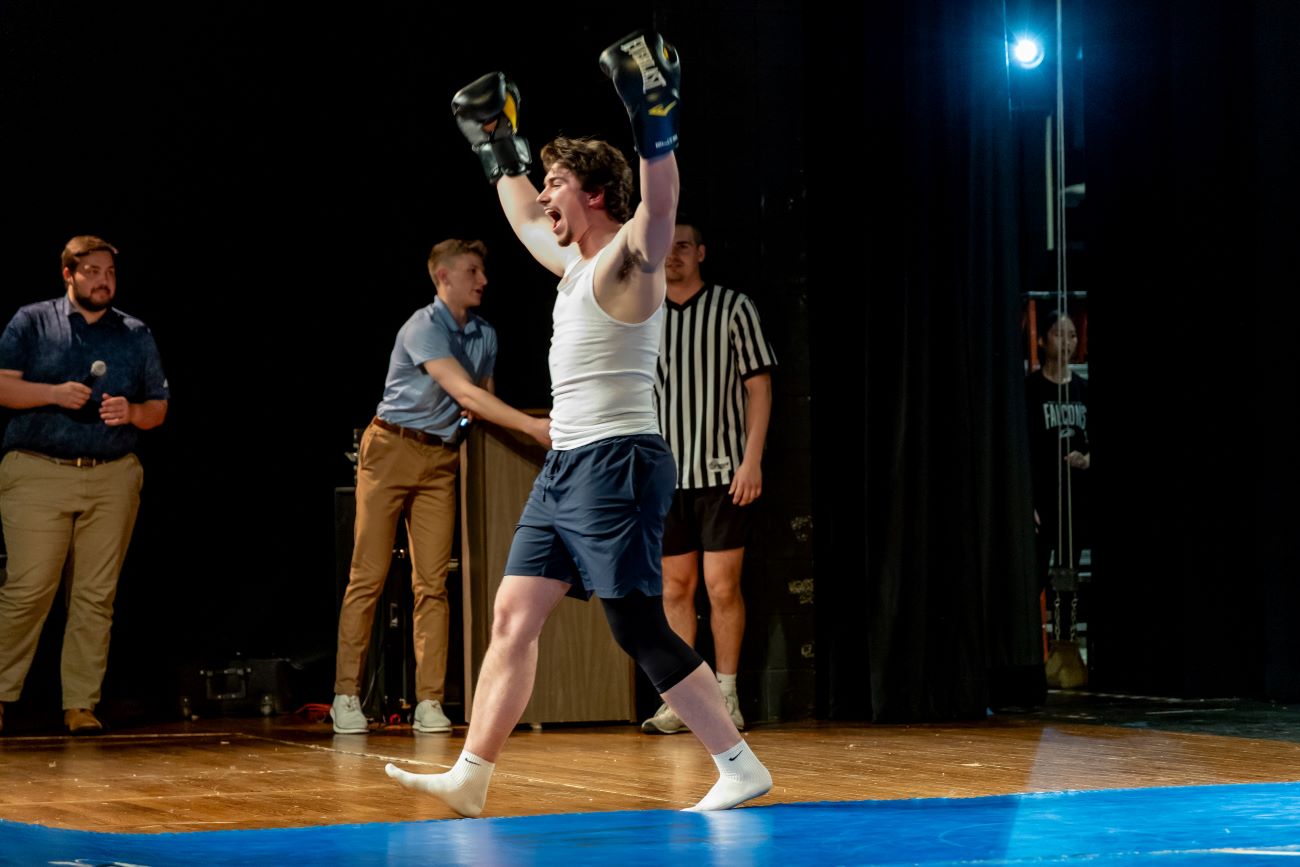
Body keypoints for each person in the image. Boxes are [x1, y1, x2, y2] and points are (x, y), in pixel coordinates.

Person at [384, 30, 772, 816]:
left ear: (593, 194)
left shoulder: (631, 262)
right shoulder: (572, 266)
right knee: (512, 611)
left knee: (633, 621)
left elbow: (660, 206)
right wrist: (500, 147)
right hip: (567, 466)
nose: (542, 197)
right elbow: (523, 210)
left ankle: (737, 763)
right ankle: (472, 774)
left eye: (555, 182)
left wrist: (653, 120)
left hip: (619, 461)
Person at [332, 239, 551, 735]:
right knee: (368, 575)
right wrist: (535, 428)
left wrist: (510, 426)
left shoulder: (485, 334)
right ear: (444, 278)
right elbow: (465, 391)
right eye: (473, 271)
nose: (483, 280)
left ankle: (429, 700)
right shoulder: (423, 327)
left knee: (432, 582)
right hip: (391, 447)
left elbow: (482, 404)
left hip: (442, 458)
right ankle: (346, 694)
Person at [0, 235, 169, 735]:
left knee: (95, 595)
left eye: (110, 273)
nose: (103, 280)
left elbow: (158, 407)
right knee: (29, 588)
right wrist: (51, 393)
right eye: (92, 271)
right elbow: (2, 385)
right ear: (68, 274)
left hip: (111, 475)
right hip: (38, 469)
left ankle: (80, 703)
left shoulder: (134, 332)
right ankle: (2, 692)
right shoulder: (32, 321)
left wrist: (132, 412)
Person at [642, 222, 776, 735]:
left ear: (700, 251)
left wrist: (752, 459)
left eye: (683, 245)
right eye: (666, 245)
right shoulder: (645, 311)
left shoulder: (733, 307)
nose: (673, 254)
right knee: (675, 588)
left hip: (722, 471)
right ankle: (682, 698)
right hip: (663, 474)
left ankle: (726, 693)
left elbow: (759, 388)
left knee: (722, 587)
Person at [1025, 308, 1091, 592]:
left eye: (1073, 335)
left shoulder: (1084, 389)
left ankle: (1065, 636)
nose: (1067, 342)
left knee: (1067, 583)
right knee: (1033, 580)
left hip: (1073, 509)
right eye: (1059, 335)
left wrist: (1086, 460)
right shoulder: (1028, 391)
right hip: (1040, 507)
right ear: (1042, 341)